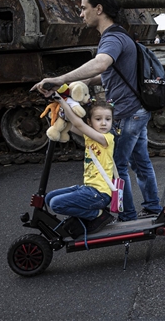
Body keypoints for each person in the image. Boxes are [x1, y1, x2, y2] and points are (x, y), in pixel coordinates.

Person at [32, 0, 162, 221]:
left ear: (99, 9)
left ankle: (127, 216)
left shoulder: (112, 37)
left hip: (126, 112)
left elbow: (101, 64)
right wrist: (79, 82)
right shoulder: (120, 35)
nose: (81, 14)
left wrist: (60, 79)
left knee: (116, 167)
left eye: (84, 8)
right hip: (137, 110)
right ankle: (153, 207)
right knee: (140, 163)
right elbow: (109, 74)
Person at [45, 98, 118, 236]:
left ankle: (97, 215)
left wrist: (63, 102)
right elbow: (72, 126)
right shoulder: (91, 136)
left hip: (100, 193)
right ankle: (87, 214)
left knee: (56, 204)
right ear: (90, 122)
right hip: (89, 188)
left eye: (108, 119)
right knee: (49, 198)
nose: (103, 123)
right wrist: (59, 115)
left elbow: (79, 123)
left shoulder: (106, 138)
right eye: (98, 119)